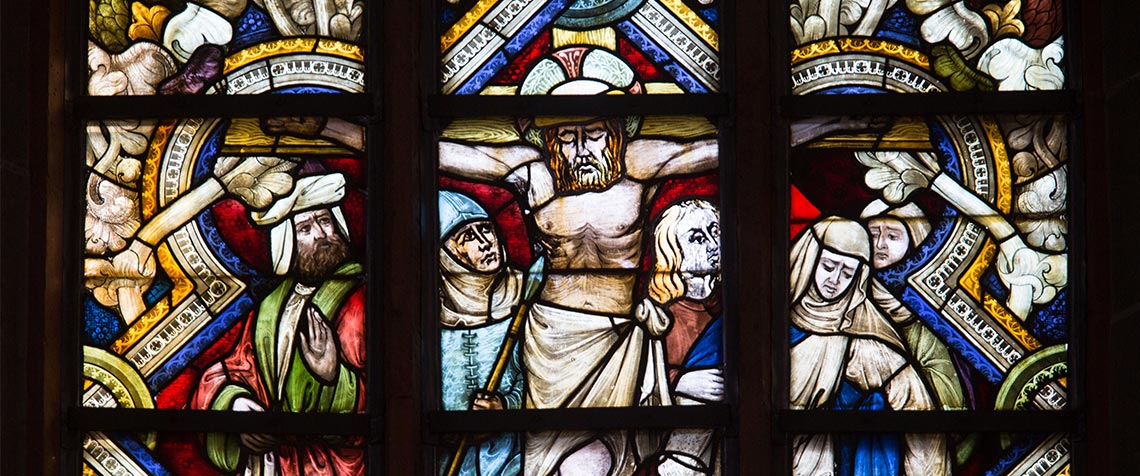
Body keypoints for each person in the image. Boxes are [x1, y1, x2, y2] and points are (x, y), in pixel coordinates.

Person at [439, 51, 719, 476]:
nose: (580, 149)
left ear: (614, 132)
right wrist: (342, 128)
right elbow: (449, 153)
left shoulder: (639, 166)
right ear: (550, 141)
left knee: (601, 460)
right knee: (555, 461)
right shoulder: (534, 176)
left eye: (592, 134)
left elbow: (715, 146)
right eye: (566, 138)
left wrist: (840, 118)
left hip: (618, 339)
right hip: (551, 342)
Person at [192, 173, 366, 476]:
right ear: (285, 241)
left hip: (334, 466)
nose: (321, 235)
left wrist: (334, 377)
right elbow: (237, 368)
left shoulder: (362, 299)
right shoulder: (271, 306)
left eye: (325, 221)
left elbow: (392, 400)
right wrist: (235, 405)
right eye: (305, 228)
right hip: (273, 465)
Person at [789, 217, 949, 476]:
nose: (835, 280)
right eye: (828, 266)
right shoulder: (768, 325)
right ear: (808, 260)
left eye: (847, 273)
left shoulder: (863, 341)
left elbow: (917, 406)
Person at [437, 191, 525, 476]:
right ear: (443, 256)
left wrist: (506, 407)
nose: (486, 243)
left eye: (486, 229)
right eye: (467, 237)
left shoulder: (525, 296)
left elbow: (546, 377)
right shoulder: (427, 318)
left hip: (517, 459)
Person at [640, 199, 724, 475]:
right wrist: (679, 381)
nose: (714, 244)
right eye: (698, 238)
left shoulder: (733, 311)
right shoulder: (656, 320)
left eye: (716, 231)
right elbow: (638, 388)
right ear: (672, 253)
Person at [861, 200, 966, 412]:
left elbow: (947, 392)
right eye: (873, 234)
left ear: (916, 240)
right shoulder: (852, 301)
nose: (880, 244)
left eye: (892, 236)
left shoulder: (928, 313)